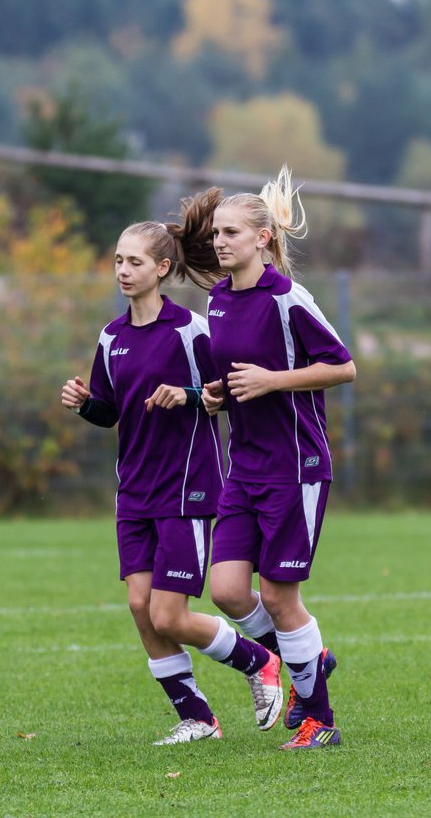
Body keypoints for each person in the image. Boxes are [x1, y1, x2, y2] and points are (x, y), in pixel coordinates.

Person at [61, 204, 284, 747]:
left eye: (134, 261)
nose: (122, 270)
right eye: (117, 260)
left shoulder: (192, 331)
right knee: (142, 608)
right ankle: (197, 718)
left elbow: (225, 396)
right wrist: (84, 404)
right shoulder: (110, 337)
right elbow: (111, 410)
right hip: (133, 490)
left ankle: (262, 661)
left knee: (170, 613)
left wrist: (186, 396)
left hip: (186, 488)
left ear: (161, 268)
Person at [192, 166, 356, 750]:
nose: (219, 242)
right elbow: (226, 382)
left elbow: (343, 366)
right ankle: (309, 658)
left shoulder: (288, 298)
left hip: (296, 466)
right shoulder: (216, 301)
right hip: (246, 467)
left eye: (231, 233)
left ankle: (319, 719)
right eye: (216, 234)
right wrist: (215, 395)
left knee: (282, 597)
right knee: (230, 592)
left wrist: (272, 380)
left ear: (262, 238)